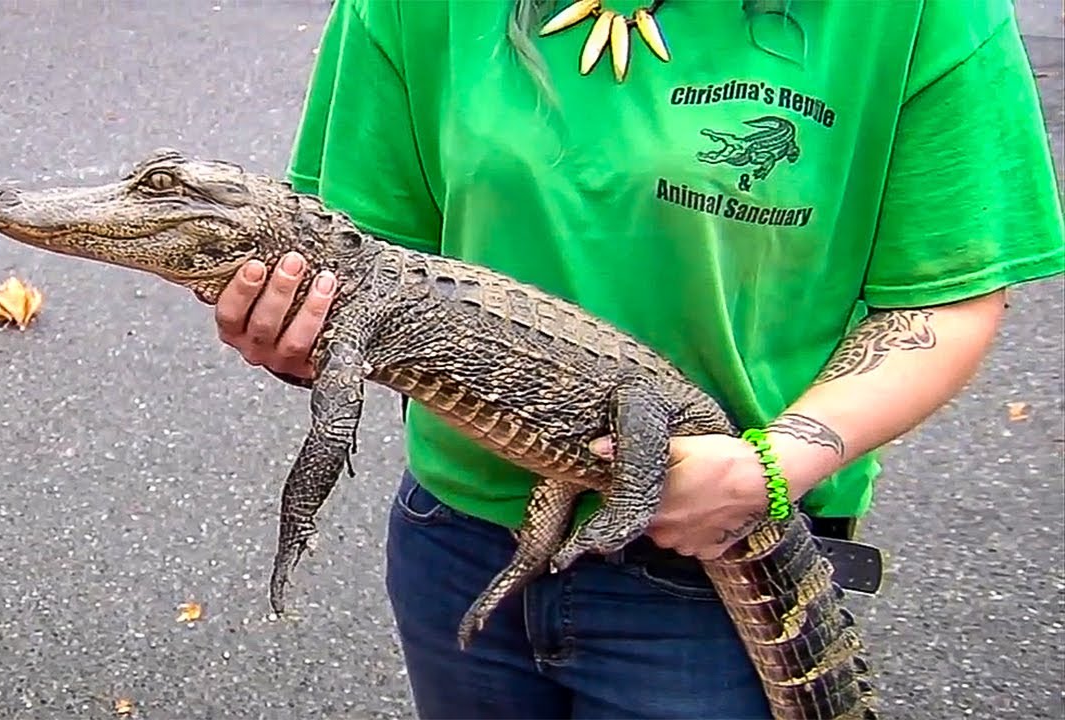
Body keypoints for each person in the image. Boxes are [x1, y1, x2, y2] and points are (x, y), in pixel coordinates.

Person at [213, 0, 1065, 717]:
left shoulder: (919, 14)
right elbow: (366, 260)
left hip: (711, 549)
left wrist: (769, 467)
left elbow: (944, 296)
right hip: (460, 538)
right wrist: (300, 341)